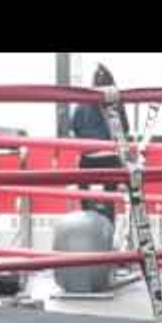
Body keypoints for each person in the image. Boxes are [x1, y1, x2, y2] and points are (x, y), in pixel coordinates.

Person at [68, 63, 130, 227]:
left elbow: (74, 128)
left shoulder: (82, 103)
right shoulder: (116, 103)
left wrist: (90, 140)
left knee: (84, 187)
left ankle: (87, 221)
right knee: (110, 195)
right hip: (110, 159)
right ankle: (108, 227)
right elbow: (125, 129)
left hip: (88, 159)